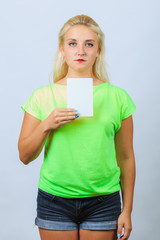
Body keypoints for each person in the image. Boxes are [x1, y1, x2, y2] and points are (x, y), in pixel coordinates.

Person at [18, 14, 136, 240]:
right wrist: (46, 125)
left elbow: (126, 157)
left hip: (104, 201)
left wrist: (127, 210)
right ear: (62, 49)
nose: (81, 51)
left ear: (98, 51)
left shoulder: (118, 97)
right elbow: (24, 155)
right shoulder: (42, 96)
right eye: (72, 43)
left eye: (89, 44)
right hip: (54, 200)